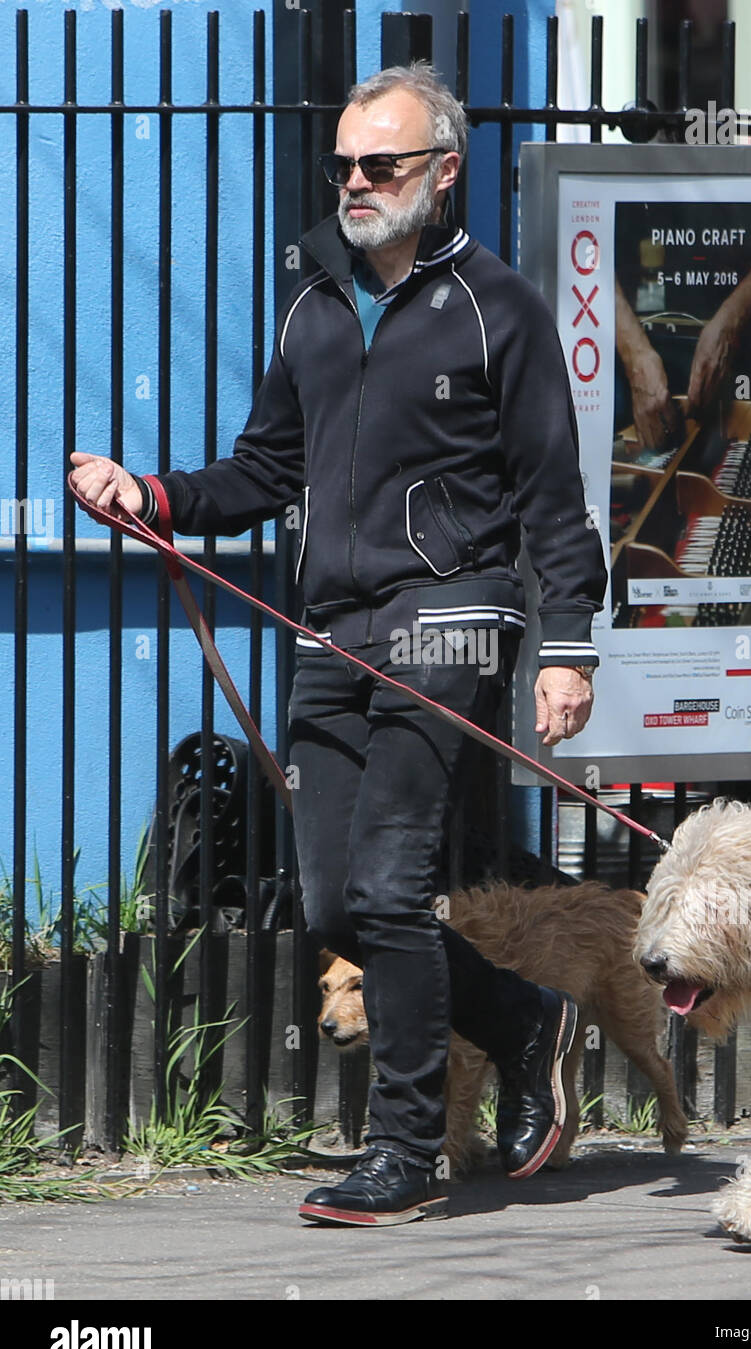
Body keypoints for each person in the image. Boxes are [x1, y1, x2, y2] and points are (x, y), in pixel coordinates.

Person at [69, 62, 607, 1226]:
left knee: (391, 886)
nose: (357, 182)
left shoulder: (497, 307)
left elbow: (555, 498)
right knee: (331, 905)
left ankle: (404, 1153)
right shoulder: (311, 302)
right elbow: (265, 467)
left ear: (443, 173)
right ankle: (527, 1020)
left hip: (453, 620)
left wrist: (568, 645)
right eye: (346, 164)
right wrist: (148, 494)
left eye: (384, 163)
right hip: (333, 627)